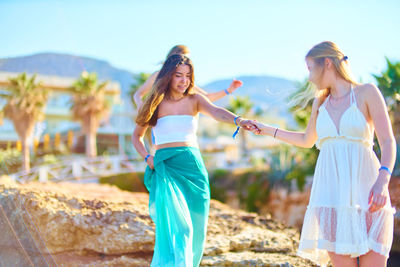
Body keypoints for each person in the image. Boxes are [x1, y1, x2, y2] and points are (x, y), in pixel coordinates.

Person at [251, 41, 396, 267]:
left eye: (310, 68)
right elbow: (307, 140)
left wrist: (382, 181)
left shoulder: (366, 92)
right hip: (330, 198)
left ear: (327, 63)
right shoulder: (320, 103)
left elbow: (387, 141)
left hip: (368, 194)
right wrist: (266, 129)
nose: (309, 77)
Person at [132, 54, 257, 267]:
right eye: (178, 75)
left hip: (193, 168)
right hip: (166, 168)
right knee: (180, 229)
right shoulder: (154, 102)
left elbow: (217, 112)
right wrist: (147, 158)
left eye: (188, 76)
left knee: (197, 232)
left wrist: (239, 120)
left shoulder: (195, 100)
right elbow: (136, 136)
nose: (184, 81)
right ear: (168, 76)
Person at [133, 45, 242, 109]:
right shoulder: (158, 75)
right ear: (174, 56)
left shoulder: (185, 82)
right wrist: (142, 108)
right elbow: (138, 95)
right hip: (160, 123)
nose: (187, 62)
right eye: (184, 57)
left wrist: (229, 90)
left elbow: (207, 98)